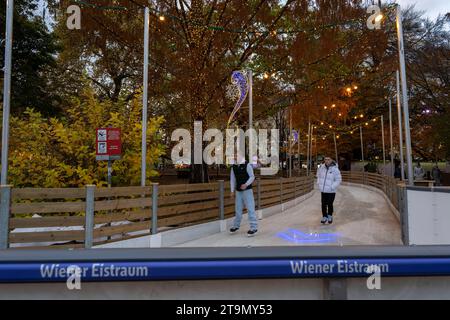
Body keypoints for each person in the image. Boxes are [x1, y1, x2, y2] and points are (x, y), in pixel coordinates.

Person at [229, 153, 258, 237]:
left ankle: (254, 227)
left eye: (236, 156)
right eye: (234, 156)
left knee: (250, 208)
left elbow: (252, 177)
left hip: (247, 190)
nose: (235, 158)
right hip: (238, 191)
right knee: (238, 209)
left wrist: (246, 184)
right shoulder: (233, 167)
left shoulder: (247, 165)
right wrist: (232, 191)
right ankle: (236, 226)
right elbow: (232, 179)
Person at [317, 156, 342, 224]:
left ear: (331, 160)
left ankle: (330, 215)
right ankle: (324, 216)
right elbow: (318, 176)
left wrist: (332, 186)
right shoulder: (321, 168)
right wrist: (319, 184)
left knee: (330, 203)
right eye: (325, 159)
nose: (326, 161)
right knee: (323, 204)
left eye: (328, 159)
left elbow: (338, 179)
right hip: (323, 190)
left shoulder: (335, 169)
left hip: (331, 191)